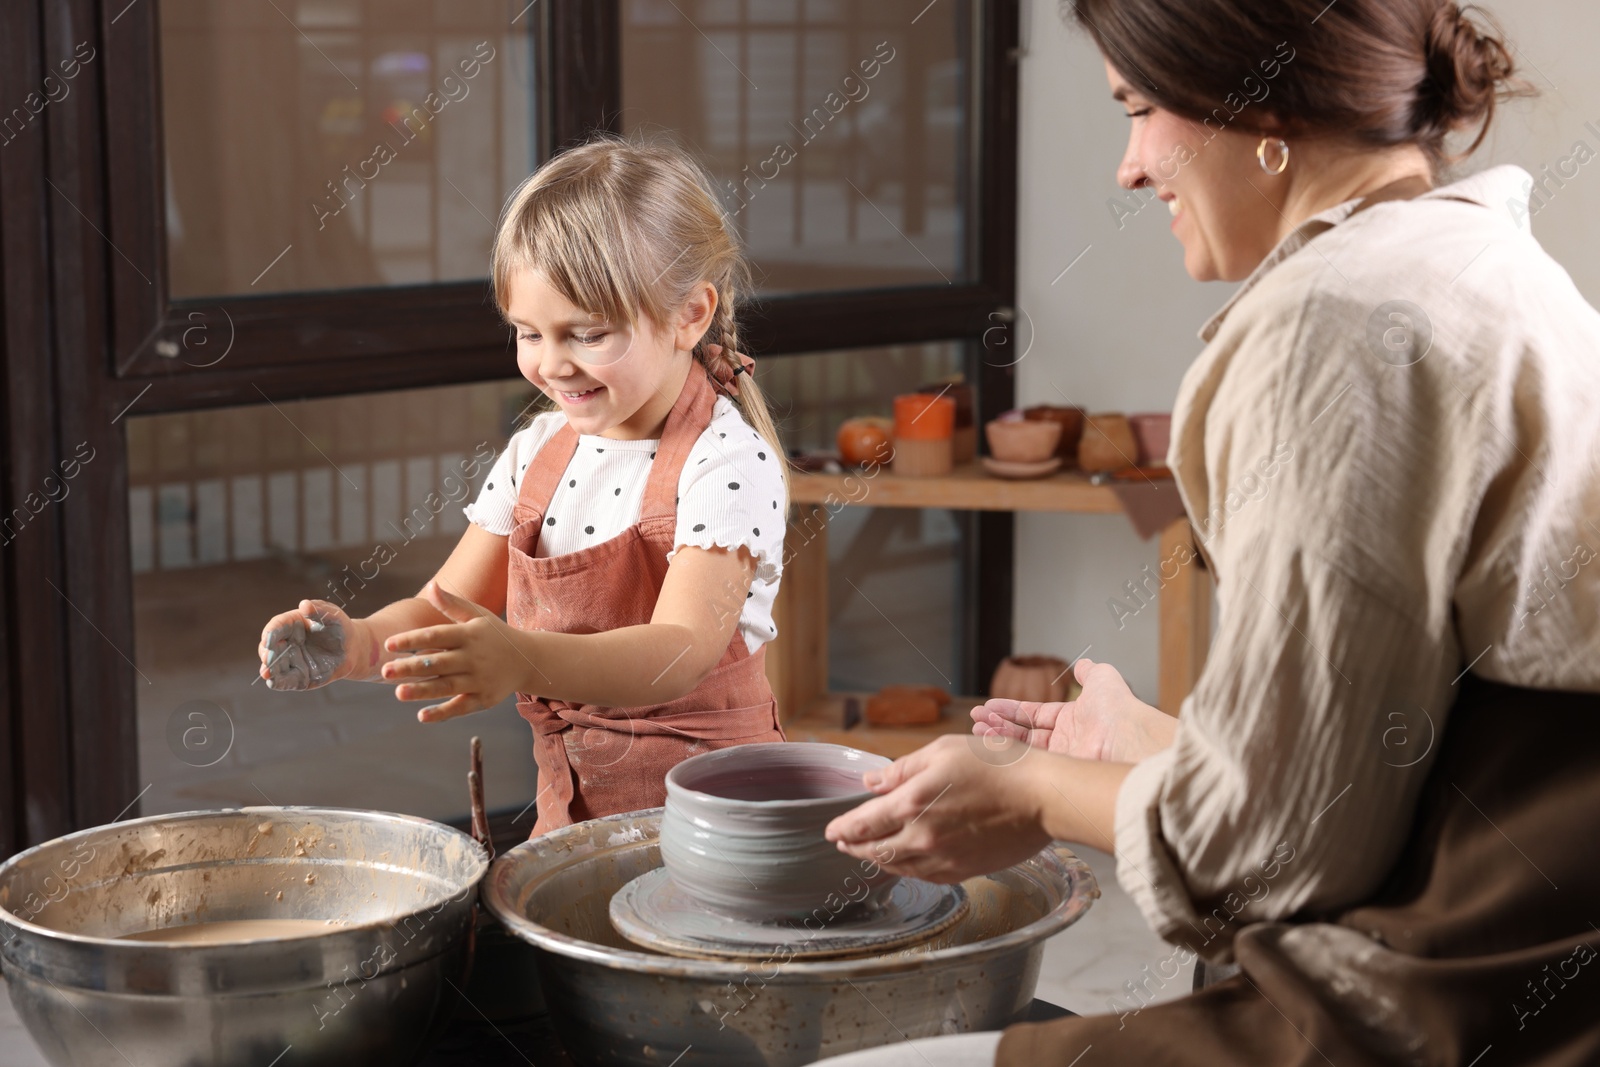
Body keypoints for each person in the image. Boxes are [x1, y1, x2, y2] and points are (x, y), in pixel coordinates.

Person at [821, 0, 1600, 1063]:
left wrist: (1034, 793)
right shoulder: (1480, 264)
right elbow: (1401, 751)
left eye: (1139, 109)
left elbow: (1275, 855)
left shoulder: (1336, 323)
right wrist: (1167, 752)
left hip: (1441, 1000)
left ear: (1262, 101)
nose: (1128, 169)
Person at [258, 135, 789, 836]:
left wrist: (521, 657)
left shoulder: (724, 462)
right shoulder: (538, 451)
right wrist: (358, 644)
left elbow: (679, 651)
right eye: (529, 333)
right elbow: (445, 607)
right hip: (574, 815)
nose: (554, 364)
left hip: (714, 827)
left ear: (689, 315)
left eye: (588, 334)